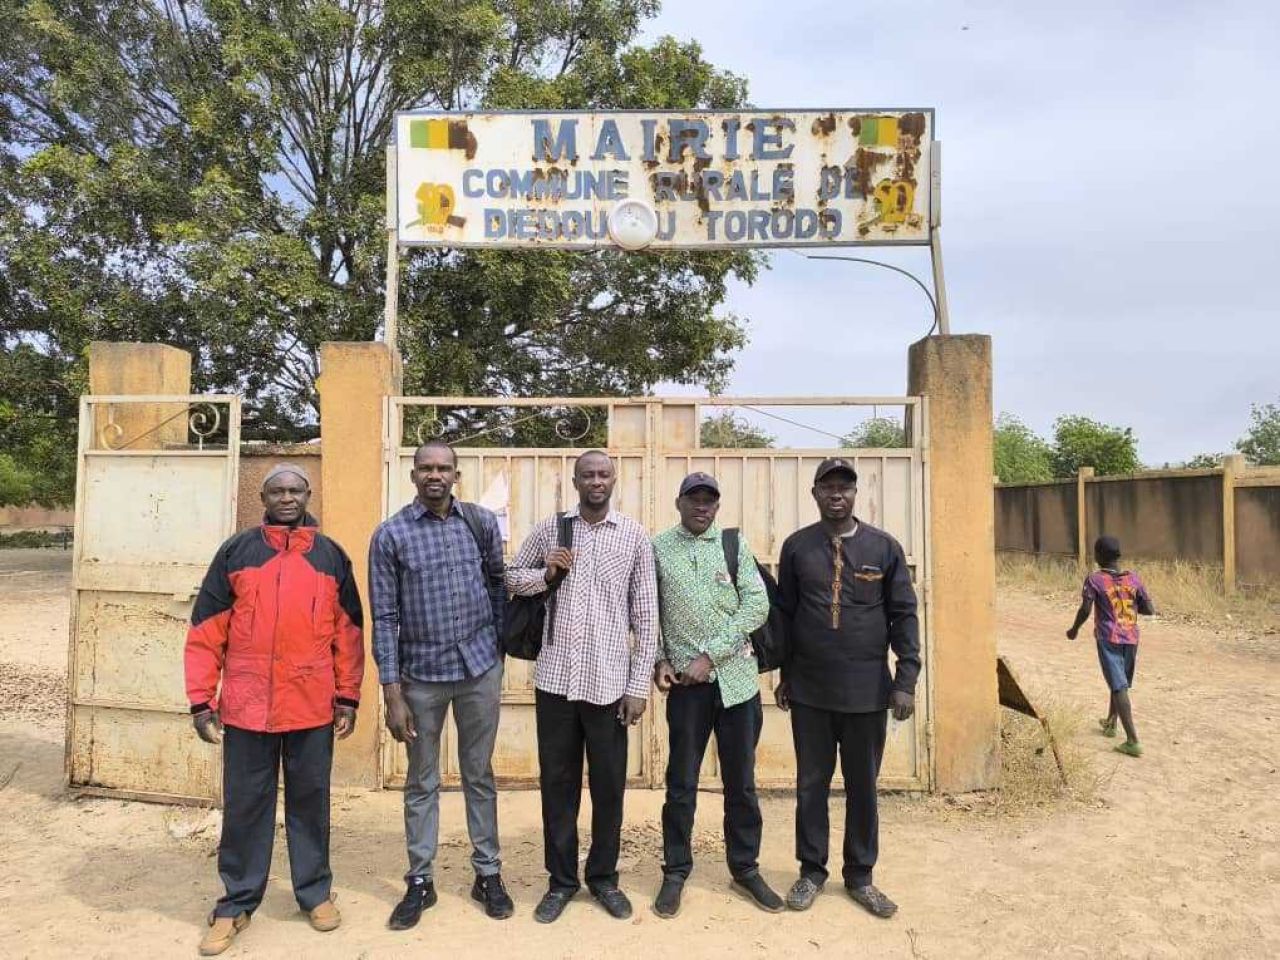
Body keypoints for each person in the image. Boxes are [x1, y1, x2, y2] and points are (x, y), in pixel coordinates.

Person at [185, 465, 364, 957]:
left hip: (311, 704)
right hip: (248, 706)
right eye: (277, 491)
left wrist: (348, 696)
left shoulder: (330, 557)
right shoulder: (236, 552)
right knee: (246, 805)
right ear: (263, 498)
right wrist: (201, 700)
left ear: (308, 495)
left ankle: (315, 893)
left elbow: (349, 633)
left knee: (311, 801)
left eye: (295, 490)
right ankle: (236, 902)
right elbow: (206, 630)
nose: (287, 498)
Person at [506, 450, 659, 924]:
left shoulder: (633, 535)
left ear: (614, 480)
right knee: (558, 785)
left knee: (609, 787)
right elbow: (510, 577)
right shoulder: (551, 529)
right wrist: (545, 574)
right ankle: (561, 882)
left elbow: (646, 615)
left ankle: (604, 878)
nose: (596, 481)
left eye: (603, 474)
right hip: (555, 681)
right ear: (574, 481)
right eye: (588, 474)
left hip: (610, 684)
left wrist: (638, 686)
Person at [369, 440, 513, 929]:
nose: (435, 475)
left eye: (444, 468)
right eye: (426, 468)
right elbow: (384, 617)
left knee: (479, 774)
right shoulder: (391, 535)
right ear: (413, 475)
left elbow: (498, 584)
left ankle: (487, 874)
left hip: (478, 670)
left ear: (456, 475)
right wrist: (392, 692)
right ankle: (420, 880)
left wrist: (496, 649)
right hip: (420, 678)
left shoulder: (480, 523)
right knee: (421, 780)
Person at [775, 457, 920, 919]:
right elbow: (786, 616)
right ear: (814, 494)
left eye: (845, 487)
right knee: (811, 785)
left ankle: (860, 876)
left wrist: (906, 681)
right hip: (811, 690)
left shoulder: (884, 547)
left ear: (856, 494)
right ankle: (811, 871)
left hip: (867, 692)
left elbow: (904, 615)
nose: (836, 495)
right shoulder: (797, 547)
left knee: (863, 787)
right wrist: (785, 675)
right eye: (827, 487)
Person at [650, 472, 782, 919]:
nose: (701, 506)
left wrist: (710, 656)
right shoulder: (658, 548)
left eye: (709, 500)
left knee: (740, 783)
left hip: (737, 683)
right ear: (679, 502)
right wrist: (659, 659)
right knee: (681, 784)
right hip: (687, 690)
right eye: (694, 499)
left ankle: (745, 869)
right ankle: (675, 871)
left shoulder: (732, 544)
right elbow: (649, 611)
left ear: (717, 506)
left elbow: (756, 605)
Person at [1066, 534, 1155, 758]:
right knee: (1119, 681)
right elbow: (1149, 609)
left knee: (1118, 686)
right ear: (1118, 556)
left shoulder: (1095, 580)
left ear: (1098, 556)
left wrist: (1074, 629)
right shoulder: (1133, 579)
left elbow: (1085, 609)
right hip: (1131, 638)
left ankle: (1133, 741)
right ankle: (1110, 722)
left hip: (1109, 638)